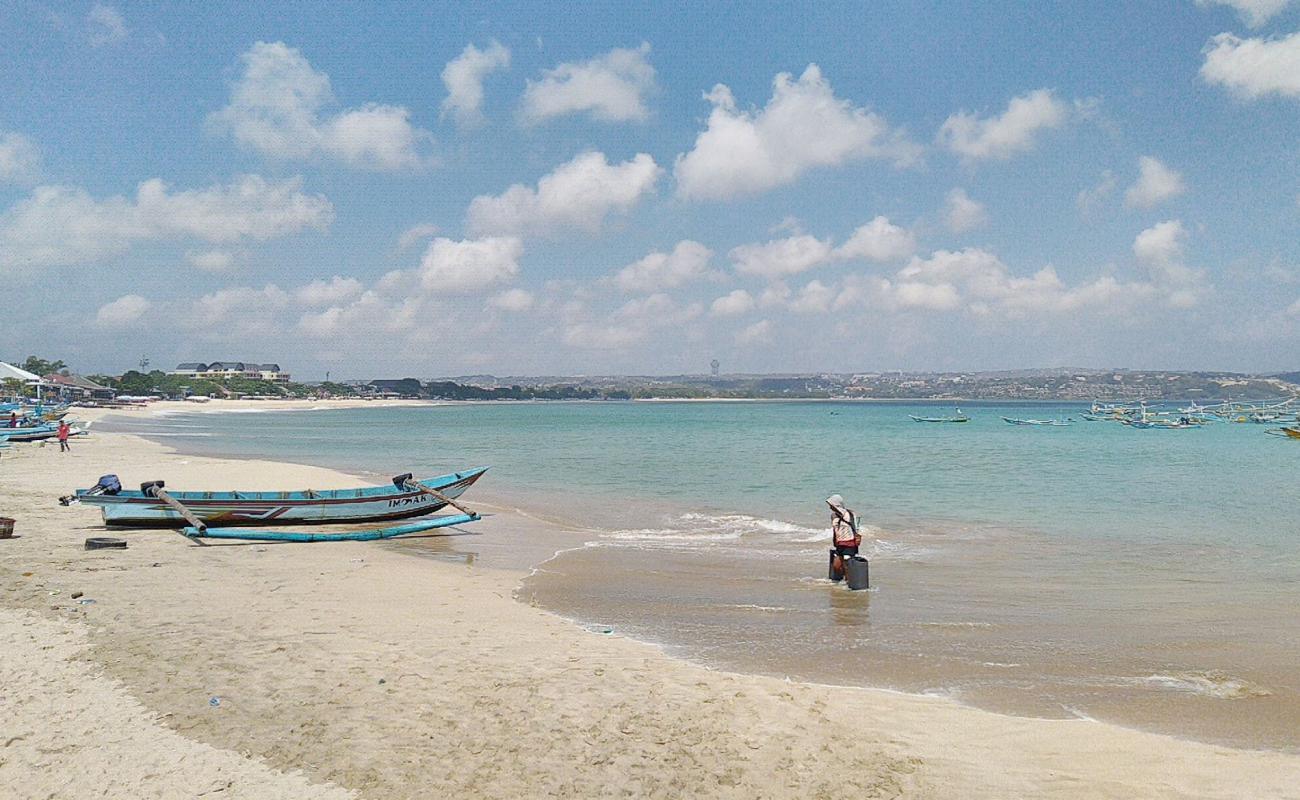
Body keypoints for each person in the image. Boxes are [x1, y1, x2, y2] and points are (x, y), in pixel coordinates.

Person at [827, 494, 861, 578]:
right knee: (836, 565)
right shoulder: (833, 516)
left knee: (847, 564)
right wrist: (835, 541)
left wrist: (857, 538)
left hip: (850, 543)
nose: (830, 508)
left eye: (831, 505)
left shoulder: (849, 514)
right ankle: (845, 579)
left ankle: (848, 582)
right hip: (840, 544)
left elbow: (856, 527)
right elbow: (835, 530)